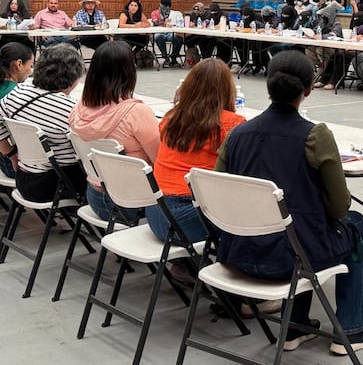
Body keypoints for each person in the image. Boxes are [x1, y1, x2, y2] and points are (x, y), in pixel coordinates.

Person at [215, 50, 363, 354]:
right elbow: (339, 207)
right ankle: (352, 329)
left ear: (268, 83)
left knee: (296, 227)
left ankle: (296, 326)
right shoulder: (315, 136)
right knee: (353, 223)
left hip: (238, 255)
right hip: (291, 261)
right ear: (308, 88)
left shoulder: (237, 134)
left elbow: (220, 196)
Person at [146, 59, 246, 243]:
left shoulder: (170, 119)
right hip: (187, 216)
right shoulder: (231, 124)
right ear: (227, 90)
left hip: (155, 211)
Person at [69, 41, 161, 221]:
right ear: (129, 72)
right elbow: (160, 160)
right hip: (133, 202)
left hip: (95, 196)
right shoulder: (135, 112)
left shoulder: (79, 108)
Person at [0, 44, 85, 202]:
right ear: (74, 77)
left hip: (23, 178)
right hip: (57, 185)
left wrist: (11, 155)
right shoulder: (70, 110)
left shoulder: (17, 93)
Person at [0, 42, 34, 178]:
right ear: (19, 64)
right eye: (30, 65)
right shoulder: (15, 95)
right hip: (9, 159)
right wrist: (12, 155)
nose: (31, 71)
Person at [150, 0, 185, 67]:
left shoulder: (173, 13)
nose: (167, 8)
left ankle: (174, 56)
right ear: (161, 5)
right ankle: (165, 57)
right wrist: (163, 22)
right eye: (165, 6)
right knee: (158, 37)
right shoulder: (154, 13)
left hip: (170, 33)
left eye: (168, 6)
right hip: (160, 33)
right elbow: (155, 23)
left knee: (179, 38)